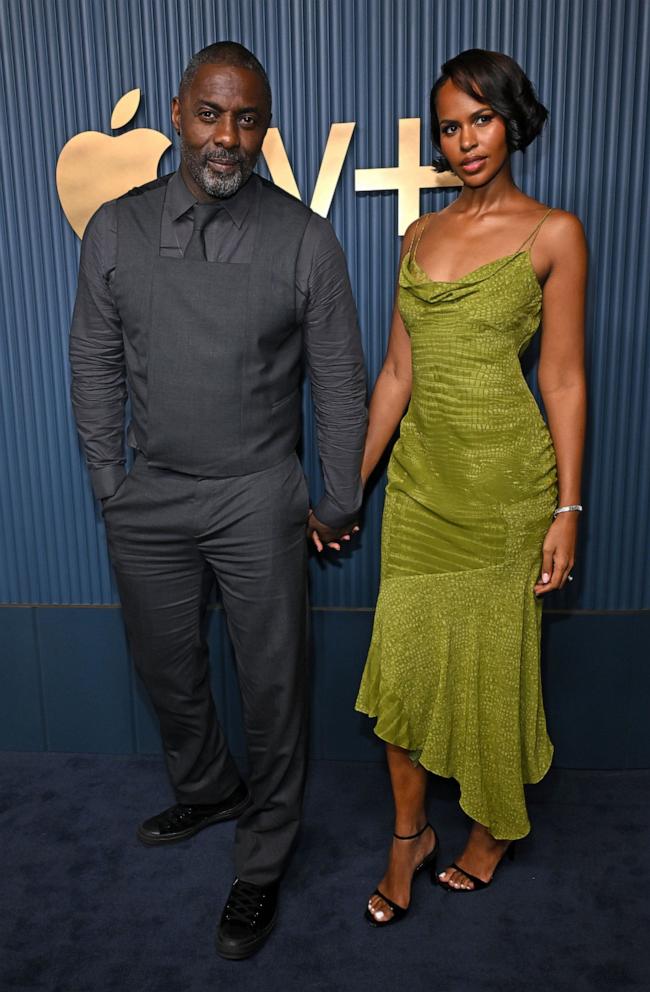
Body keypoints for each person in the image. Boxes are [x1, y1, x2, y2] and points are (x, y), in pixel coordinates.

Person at [69, 41, 366, 959]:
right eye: (210, 114)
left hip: (256, 499)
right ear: (177, 114)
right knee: (168, 668)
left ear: (264, 130)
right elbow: (93, 362)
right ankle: (206, 786)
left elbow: (341, 383)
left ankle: (264, 856)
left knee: (273, 689)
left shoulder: (307, 238)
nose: (225, 138)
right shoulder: (116, 229)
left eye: (245, 120)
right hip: (150, 495)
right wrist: (112, 487)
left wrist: (336, 498)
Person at [354, 48, 587, 926]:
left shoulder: (553, 232)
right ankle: (409, 835)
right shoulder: (417, 236)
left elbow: (562, 379)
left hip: (506, 496)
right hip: (419, 495)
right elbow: (394, 377)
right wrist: (350, 486)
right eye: (449, 126)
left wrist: (566, 508)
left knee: (493, 675)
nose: (465, 140)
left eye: (480, 119)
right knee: (403, 681)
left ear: (511, 119)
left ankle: (491, 829)